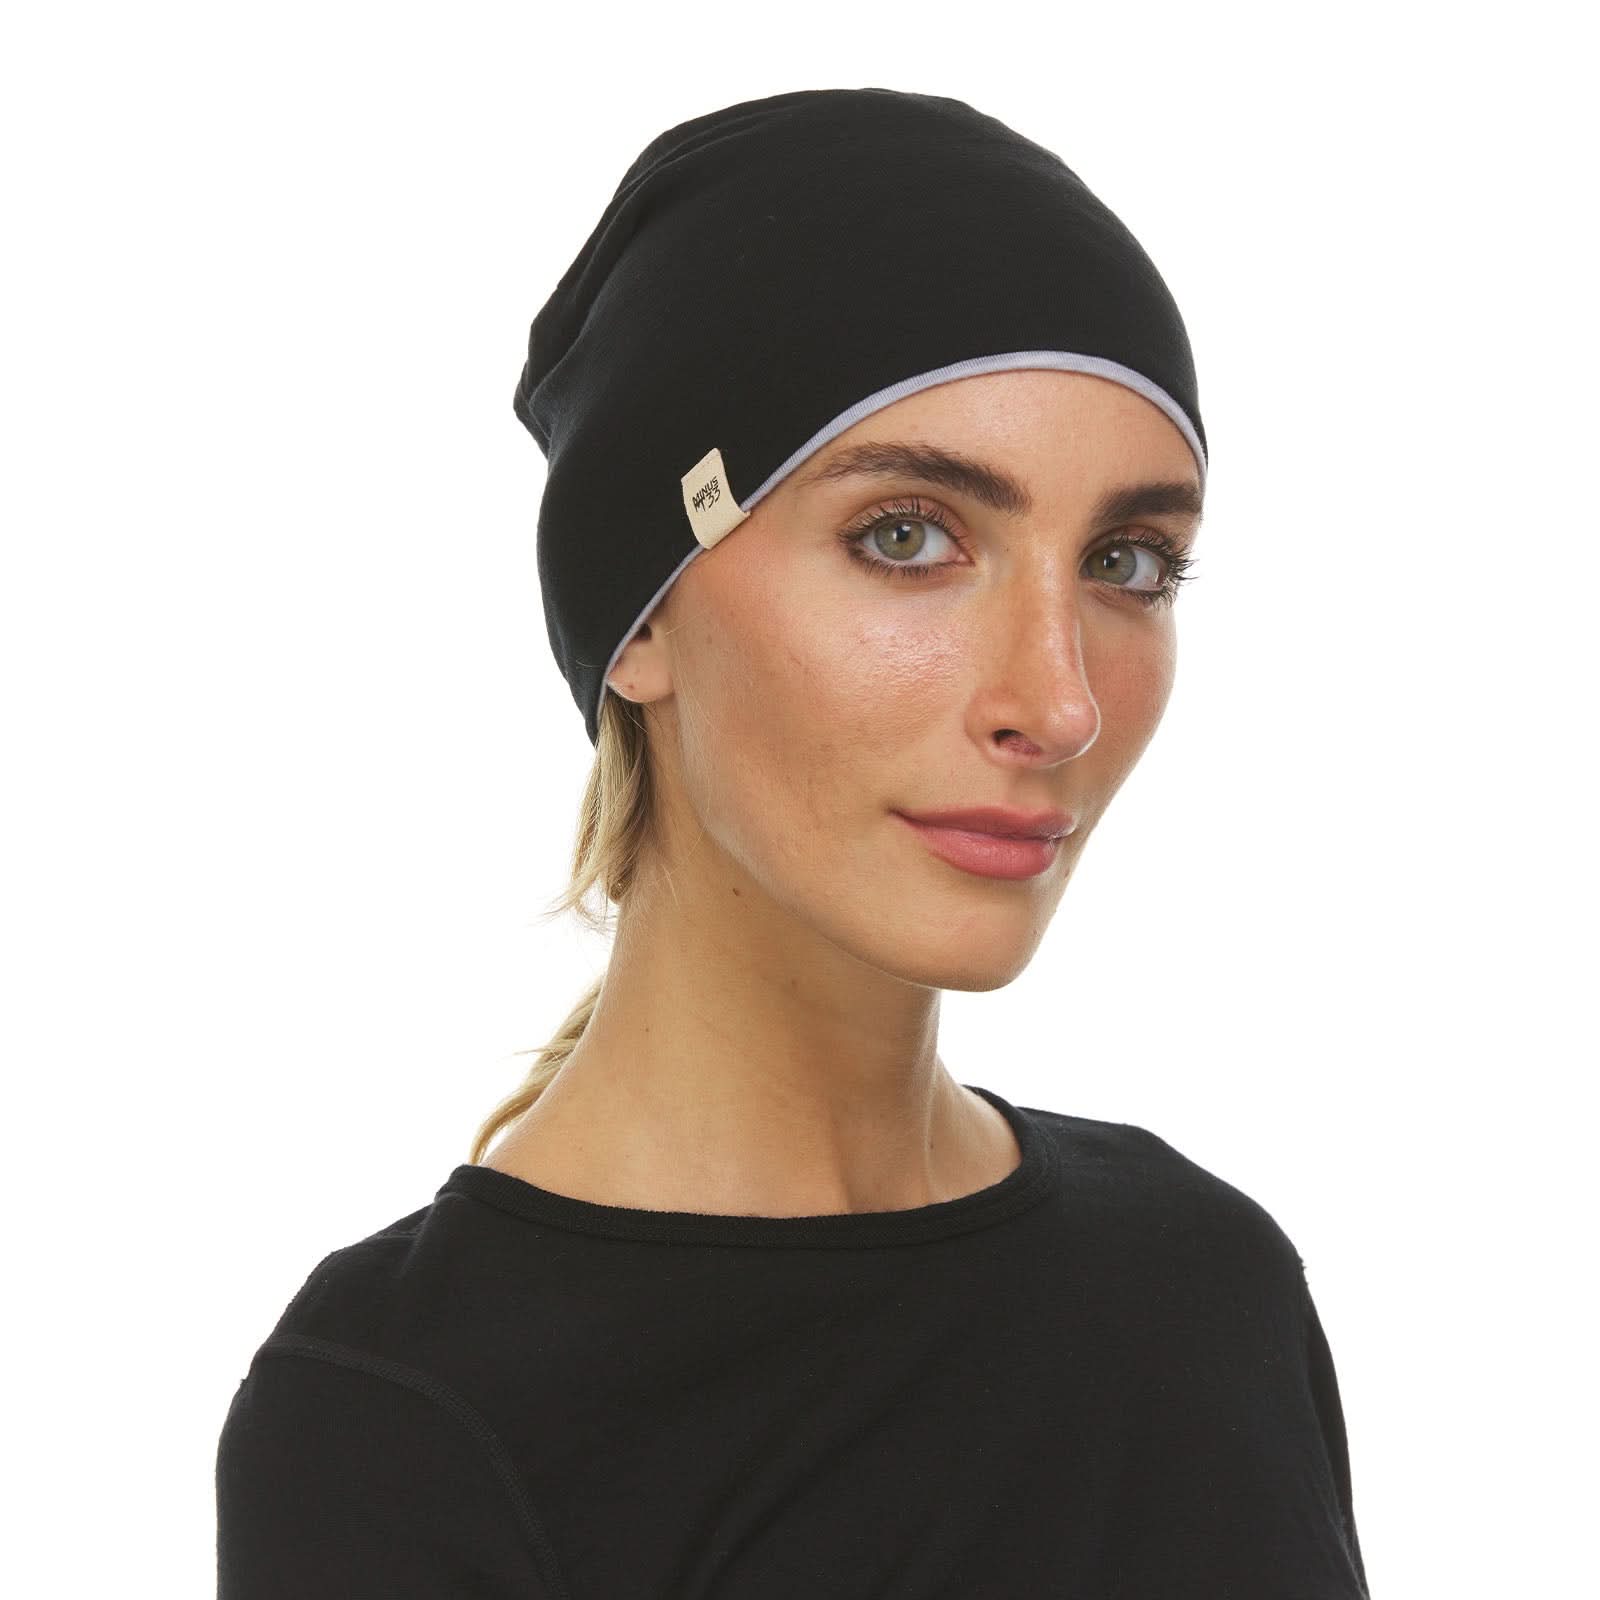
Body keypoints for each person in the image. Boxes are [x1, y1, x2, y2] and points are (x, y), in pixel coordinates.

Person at [215, 87, 1370, 1597]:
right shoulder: (404, 1421)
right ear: (643, 614)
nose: (1060, 702)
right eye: (907, 536)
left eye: (1129, 562)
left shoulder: (1205, 1283)